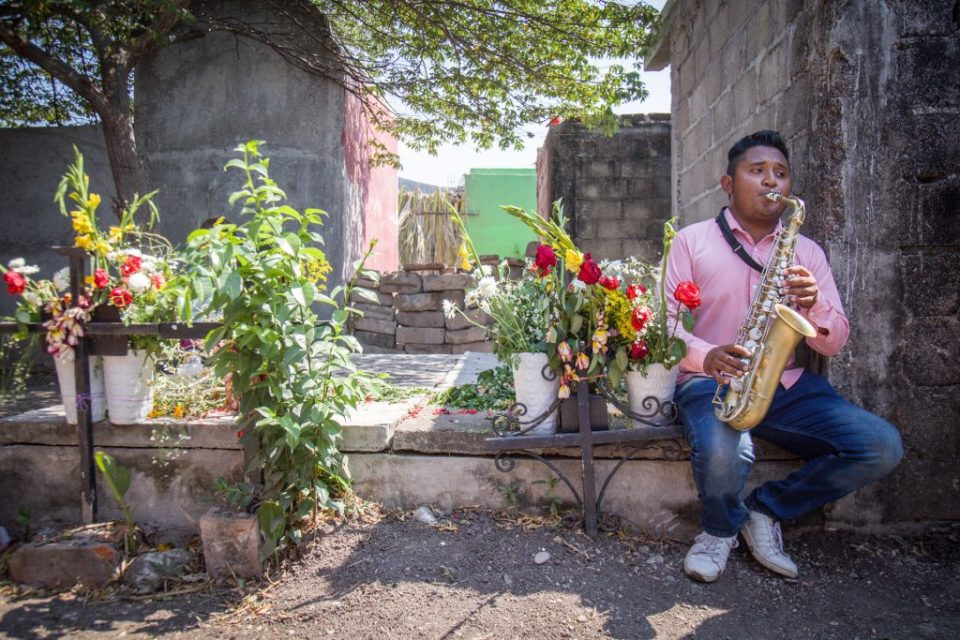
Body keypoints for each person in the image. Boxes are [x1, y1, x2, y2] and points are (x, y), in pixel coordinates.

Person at [664, 130, 903, 583]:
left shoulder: (806, 252)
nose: (771, 181)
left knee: (880, 446)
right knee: (722, 452)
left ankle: (764, 511)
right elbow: (666, 325)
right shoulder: (692, 242)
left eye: (781, 173)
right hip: (713, 382)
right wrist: (706, 354)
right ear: (728, 183)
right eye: (757, 171)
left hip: (788, 386)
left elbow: (833, 342)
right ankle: (718, 530)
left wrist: (814, 303)